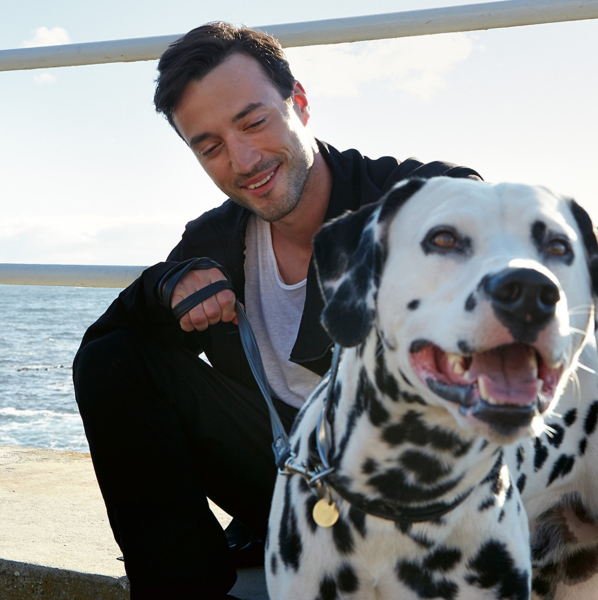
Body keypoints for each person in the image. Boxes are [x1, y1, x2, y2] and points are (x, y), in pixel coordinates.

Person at [72, 22, 481, 600]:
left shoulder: (402, 195)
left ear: (300, 104)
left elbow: (474, 203)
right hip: (290, 476)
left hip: (423, 491)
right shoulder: (216, 241)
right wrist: (169, 284)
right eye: (209, 146)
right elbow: (110, 343)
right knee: (114, 360)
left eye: (253, 121)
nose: (242, 160)